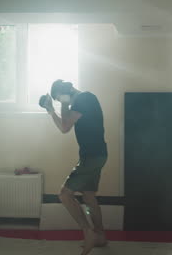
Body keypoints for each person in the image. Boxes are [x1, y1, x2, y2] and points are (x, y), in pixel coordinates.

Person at [40, 79, 108, 255]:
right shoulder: (82, 100)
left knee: (64, 194)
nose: (63, 103)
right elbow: (64, 126)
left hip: (92, 157)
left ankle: (89, 233)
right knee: (89, 196)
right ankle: (100, 236)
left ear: (65, 93)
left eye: (60, 98)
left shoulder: (84, 98)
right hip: (95, 155)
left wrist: (62, 103)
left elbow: (65, 126)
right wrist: (51, 110)